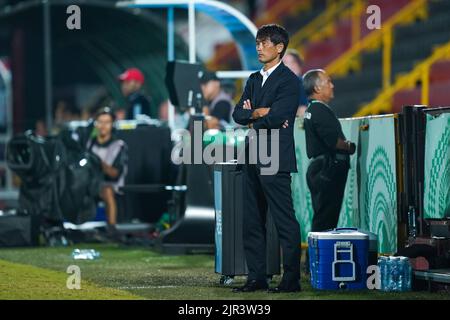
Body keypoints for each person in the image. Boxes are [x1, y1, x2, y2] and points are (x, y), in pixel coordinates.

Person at [232, 24, 301, 293]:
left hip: (276, 156)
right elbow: (238, 114)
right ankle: (256, 277)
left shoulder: (289, 80)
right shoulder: (252, 79)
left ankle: (291, 279)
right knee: (252, 219)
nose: (258, 47)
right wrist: (258, 114)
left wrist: (256, 116)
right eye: (257, 43)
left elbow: (279, 117)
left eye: (263, 43)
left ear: (279, 47)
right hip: (251, 155)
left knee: (284, 219)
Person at [302, 69, 356, 233]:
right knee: (326, 220)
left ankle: (315, 257)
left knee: (322, 217)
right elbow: (333, 142)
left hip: (319, 169)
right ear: (317, 88)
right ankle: (318, 258)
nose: (332, 86)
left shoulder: (311, 110)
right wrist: (350, 146)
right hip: (327, 169)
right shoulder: (319, 110)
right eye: (328, 82)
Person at [87, 107, 128, 239]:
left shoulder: (118, 145)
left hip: (112, 185)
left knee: (107, 190)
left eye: (107, 122)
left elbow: (115, 174)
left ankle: (111, 228)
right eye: (100, 122)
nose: (103, 126)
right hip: (91, 183)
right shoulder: (89, 144)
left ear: (112, 125)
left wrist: (98, 162)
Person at [282, 48, 308, 118]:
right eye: (285, 62)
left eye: (293, 62)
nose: (290, 66)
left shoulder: (303, 83)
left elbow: (304, 110)